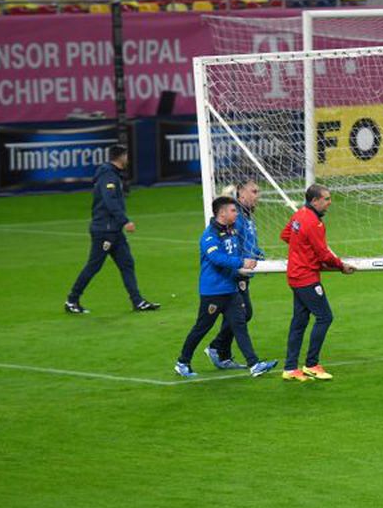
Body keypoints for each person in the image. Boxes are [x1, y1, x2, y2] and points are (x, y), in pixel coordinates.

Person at [174, 196, 278, 379]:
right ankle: (182, 362)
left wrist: (258, 261)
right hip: (213, 291)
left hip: (230, 289)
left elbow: (239, 251)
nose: (236, 213)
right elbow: (217, 259)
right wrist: (242, 262)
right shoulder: (209, 236)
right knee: (202, 327)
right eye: (233, 210)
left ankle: (254, 364)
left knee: (240, 325)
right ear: (222, 213)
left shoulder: (232, 231)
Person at [64, 144, 160, 314]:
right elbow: (110, 202)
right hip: (104, 231)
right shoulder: (108, 175)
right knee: (94, 266)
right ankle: (72, 300)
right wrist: (125, 221)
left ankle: (137, 301)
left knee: (127, 263)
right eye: (126, 155)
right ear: (121, 157)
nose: (128, 159)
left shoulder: (112, 174)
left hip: (114, 231)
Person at [280, 184, 354, 382]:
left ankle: (290, 368)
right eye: (326, 199)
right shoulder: (314, 222)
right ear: (314, 201)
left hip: (294, 276)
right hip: (306, 278)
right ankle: (311, 364)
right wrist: (341, 266)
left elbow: (286, 235)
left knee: (299, 321)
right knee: (324, 317)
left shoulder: (299, 215)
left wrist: (301, 250)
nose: (329, 203)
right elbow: (323, 254)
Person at [205, 178, 263, 370]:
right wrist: (240, 264)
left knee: (240, 314)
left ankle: (221, 351)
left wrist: (259, 255)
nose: (257, 196)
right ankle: (217, 348)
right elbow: (231, 244)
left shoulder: (246, 216)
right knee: (242, 314)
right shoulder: (236, 218)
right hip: (237, 273)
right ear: (241, 193)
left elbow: (249, 242)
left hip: (245, 270)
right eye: (254, 191)